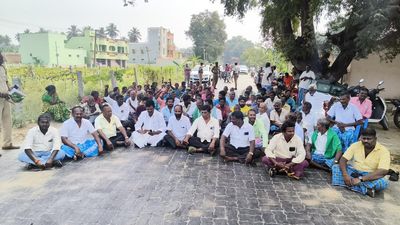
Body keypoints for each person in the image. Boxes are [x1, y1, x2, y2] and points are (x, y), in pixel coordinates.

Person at [332, 128, 390, 197]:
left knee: (383, 183)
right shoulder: (355, 145)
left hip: (371, 176)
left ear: (375, 138)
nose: (366, 141)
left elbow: (383, 171)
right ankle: (366, 189)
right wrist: (345, 175)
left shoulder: (383, 151)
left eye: (369, 139)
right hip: (354, 172)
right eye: (364, 138)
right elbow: (343, 159)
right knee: (335, 167)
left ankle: (350, 184)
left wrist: (361, 179)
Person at [0, 52, 18, 150]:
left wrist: (10, 89)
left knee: (7, 121)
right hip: (1, 97)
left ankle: (7, 144)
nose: (2, 57)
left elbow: (5, 81)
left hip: (6, 97)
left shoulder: (2, 67)